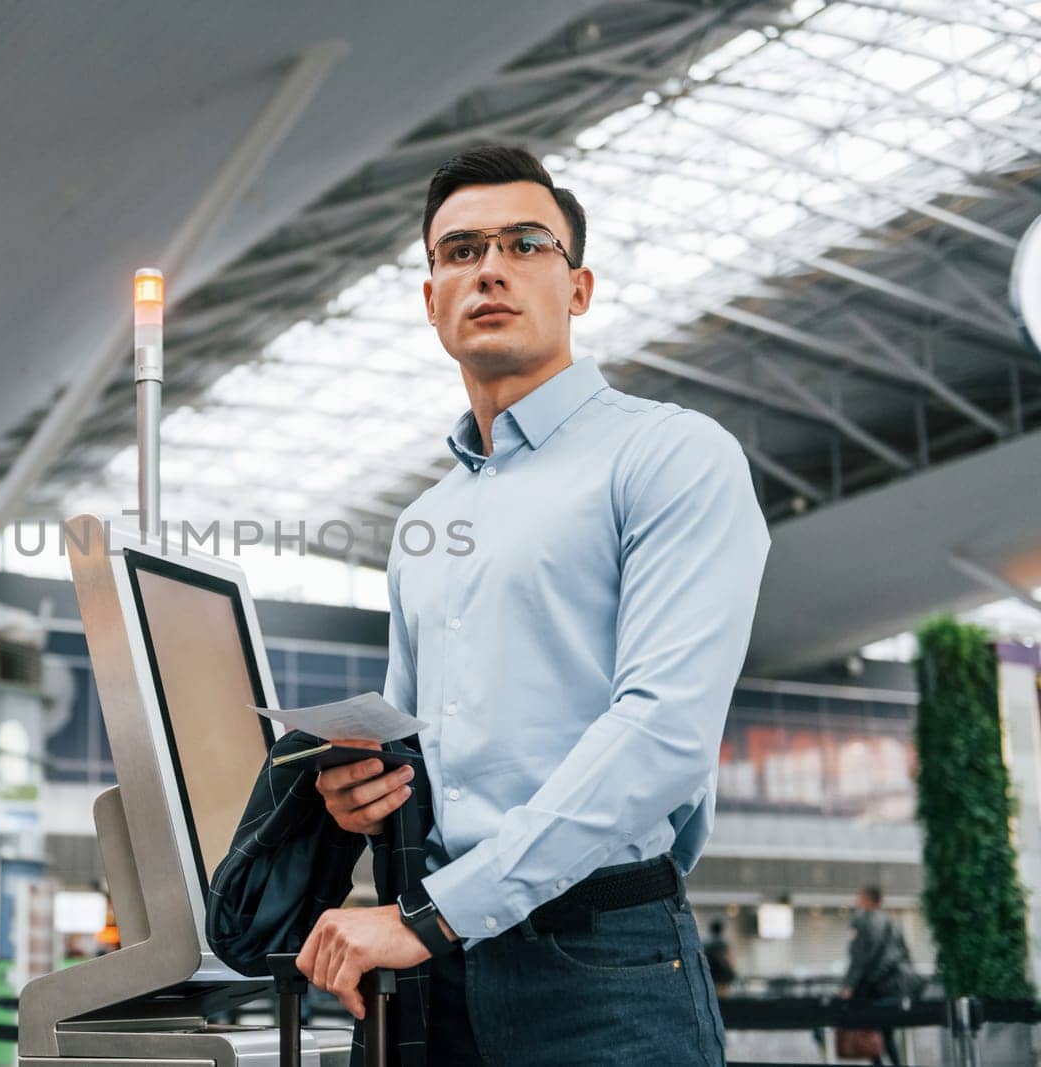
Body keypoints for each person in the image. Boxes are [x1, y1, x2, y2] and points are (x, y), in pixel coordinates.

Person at [293, 145, 771, 1066]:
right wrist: (367, 794)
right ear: (432, 299)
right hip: (443, 972)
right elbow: (412, 746)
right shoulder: (423, 523)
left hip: (604, 968)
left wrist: (432, 916)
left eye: (524, 242)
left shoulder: (671, 458)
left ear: (578, 287)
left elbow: (663, 732)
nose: (491, 268)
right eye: (460, 249)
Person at [840, 885, 916, 1066]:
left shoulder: (860, 921)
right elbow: (905, 955)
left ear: (866, 900)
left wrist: (848, 985)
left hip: (870, 988)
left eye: (860, 898)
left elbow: (858, 958)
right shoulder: (893, 923)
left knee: (870, 1033)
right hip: (892, 988)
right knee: (887, 1034)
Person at [704, 919, 737, 997]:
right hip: (723, 976)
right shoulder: (723, 944)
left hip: (711, 975)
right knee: (723, 996)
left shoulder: (706, 944)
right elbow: (729, 959)